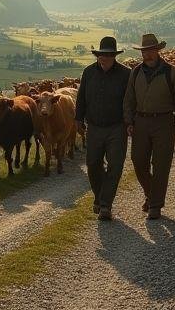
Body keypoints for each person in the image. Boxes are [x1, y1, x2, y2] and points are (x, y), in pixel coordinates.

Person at [124, 33, 175, 220]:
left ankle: (155, 205)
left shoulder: (172, 72)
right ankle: (151, 194)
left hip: (164, 121)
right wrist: (128, 121)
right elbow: (129, 99)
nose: (147, 54)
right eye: (144, 51)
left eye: (151, 50)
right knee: (138, 161)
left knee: (161, 165)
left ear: (158, 51)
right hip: (141, 122)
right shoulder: (135, 72)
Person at [75, 36, 131, 221]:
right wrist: (78, 119)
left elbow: (130, 101)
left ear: (114, 55)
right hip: (94, 126)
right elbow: (81, 98)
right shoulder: (88, 72)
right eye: (101, 55)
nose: (104, 58)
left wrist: (129, 122)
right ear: (97, 55)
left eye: (107, 55)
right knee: (92, 165)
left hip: (117, 127)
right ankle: (99, 197)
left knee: (115, 165)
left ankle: (105, 205)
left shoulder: (126, 74)